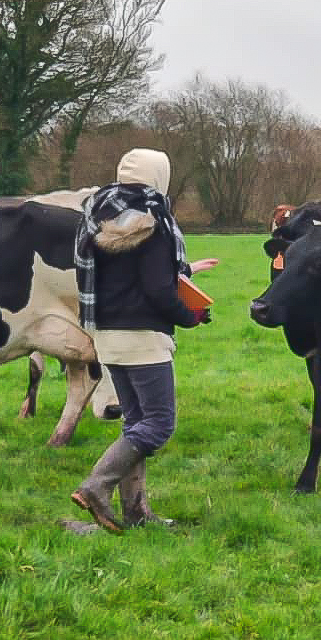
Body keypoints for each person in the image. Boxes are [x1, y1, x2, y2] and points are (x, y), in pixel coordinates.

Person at [70, 147, 215, 533]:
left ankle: (136, 512)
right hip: (142, 337)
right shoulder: (154, 223)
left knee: (136, 422)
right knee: (159, 423)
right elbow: (158, 291)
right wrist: (191, 316)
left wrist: (181, 272)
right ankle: (96, 487)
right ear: (159, 178)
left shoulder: (98, 215)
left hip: (106, 334)